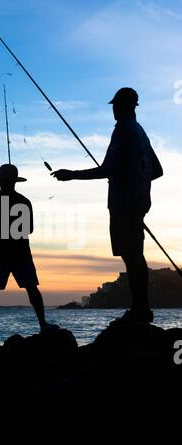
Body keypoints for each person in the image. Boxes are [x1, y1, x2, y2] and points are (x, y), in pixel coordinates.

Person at [51, 88, 163, 323]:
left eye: (116, 105)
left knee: (131, 257)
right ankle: (141, 308)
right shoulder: (140, 131)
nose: (113, 109)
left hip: (124, 203)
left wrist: (71, 175)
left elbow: (107, 169)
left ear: (123, 107)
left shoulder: (123, 130)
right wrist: (137, 181)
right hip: (139, 201)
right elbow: (157, 170)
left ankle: (139, 310)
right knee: (135, 255)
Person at [0, 163, 58, 340]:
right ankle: (43, 325)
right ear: (15, 182)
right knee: (31, 288)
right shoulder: (24, 201)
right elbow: (30, 228)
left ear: (0, 181)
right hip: (20, 252)